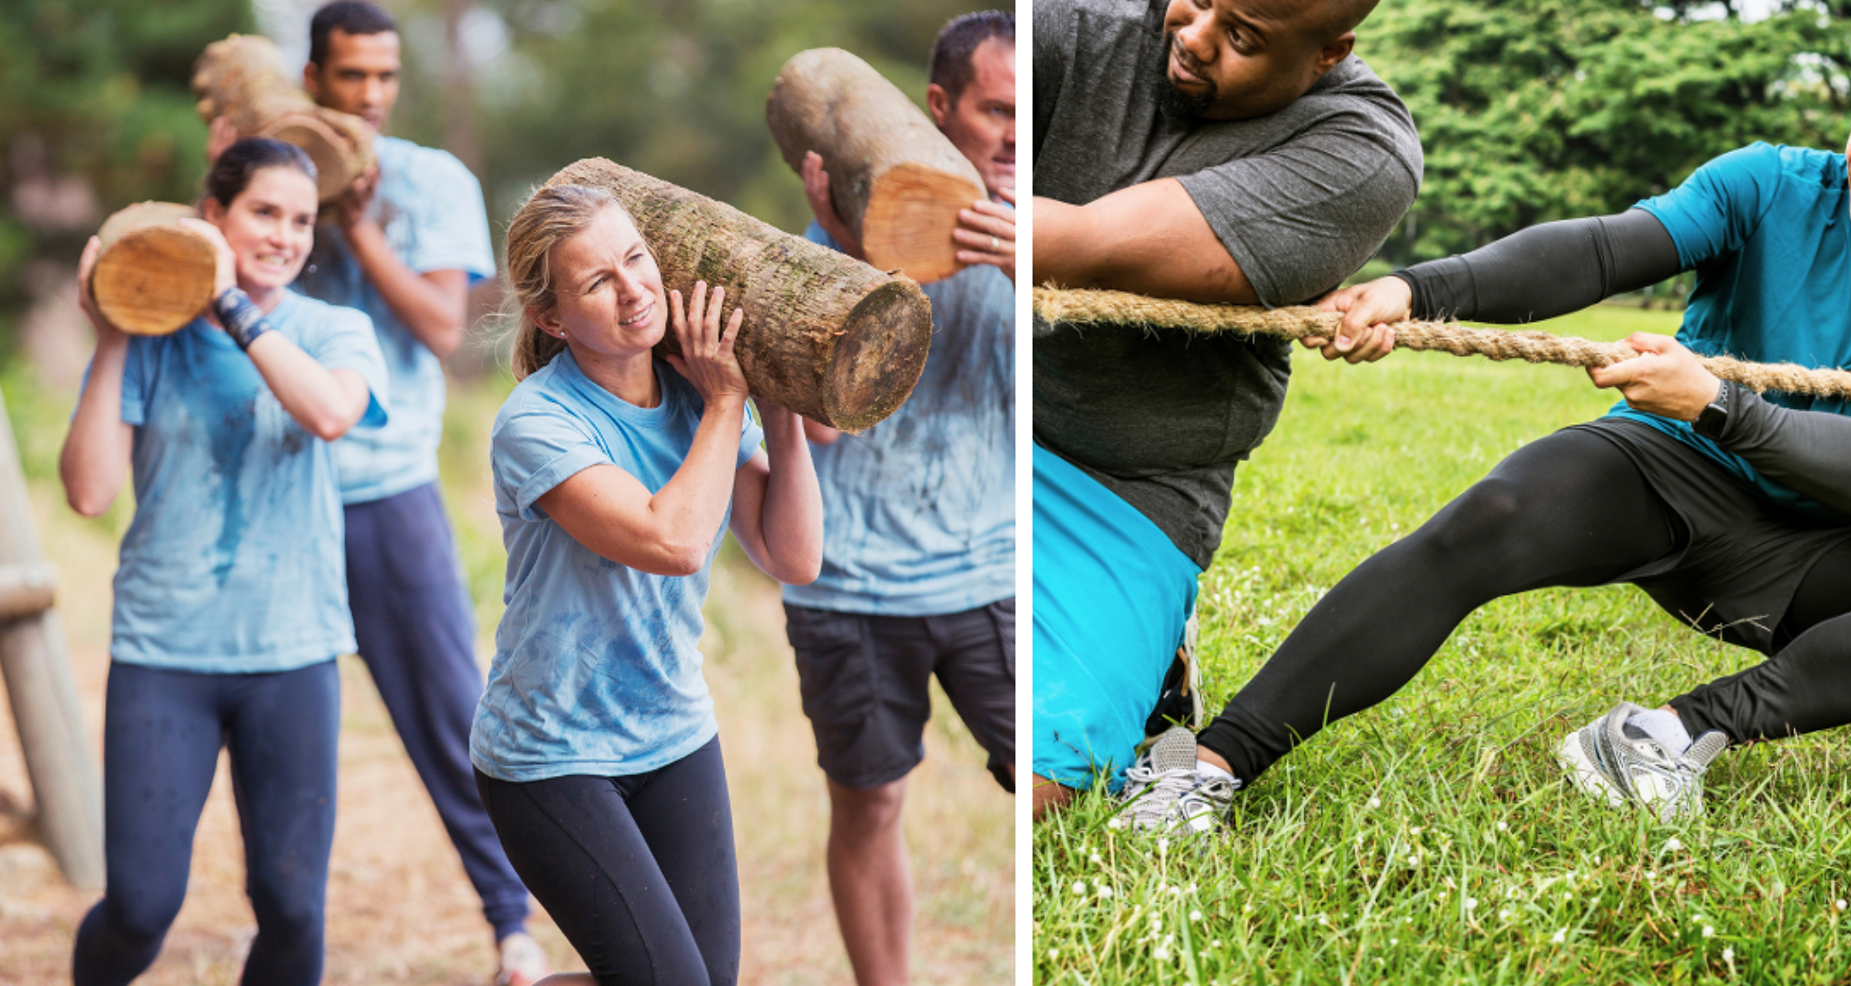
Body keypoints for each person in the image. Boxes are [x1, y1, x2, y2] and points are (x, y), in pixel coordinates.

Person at [1114, 31, 1851, 835]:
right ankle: (1210, 766)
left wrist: (1721, 402)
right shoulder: (1769, 184)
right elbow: (1605, 250)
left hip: (1806, 542)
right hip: (1662, 470)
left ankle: (1665, 736)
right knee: (1490, 517)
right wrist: (1418, 290)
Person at [210, 3, 543, 978]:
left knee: (451, 716)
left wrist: (360, 229)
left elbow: (444, 325)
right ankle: (280, 927)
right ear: (311, 78)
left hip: (382, 490)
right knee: (255, 721)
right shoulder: (275, 182)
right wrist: (230, 171)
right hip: (272, 491)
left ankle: (511, 921)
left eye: (383, 78)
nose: (368, 97)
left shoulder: (432, 180)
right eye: (349, 77)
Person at [1030, 0, 1423, 818]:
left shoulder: (1359, 151)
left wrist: (934, 205)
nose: (1194, 38)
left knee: (1035, 789)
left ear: (1328, 52)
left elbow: (1091, 245)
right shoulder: (1071, 26)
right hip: (984, 420)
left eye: (1241, 37)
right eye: (1197, 0)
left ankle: (1154, 660)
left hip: (1124, 481)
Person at [470, 184, 822, 986]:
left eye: (637, 261)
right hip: (550, 754)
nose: (634, 291)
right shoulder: (539, 424)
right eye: (598, 282)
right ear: (552, 317)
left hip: (672, 733)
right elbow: (674, 540)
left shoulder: (698, 397)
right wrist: (730, 400)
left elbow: (792, 556)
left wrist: (785, 412)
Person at [59, 138, 389, 985]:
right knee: (139, 908)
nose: (285, 235)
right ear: (214, 217)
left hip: (292, 656)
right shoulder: (150, 342)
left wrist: (234, 305)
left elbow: (327, 414)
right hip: (163, 654)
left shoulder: (333, 329)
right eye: (263, 213)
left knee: (291, 909)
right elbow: (90, 493)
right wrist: (111, 335)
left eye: (302, 221)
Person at [781, 13, 1014, 986]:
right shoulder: (824, 237)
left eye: (1027, 114)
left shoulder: (1053, 228)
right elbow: (826, 425)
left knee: (1065, 774)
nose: (1012, 134)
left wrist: (1027, 259)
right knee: (869, 805)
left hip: (997, 568)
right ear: (937, 107)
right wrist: (847, 245)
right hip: (853, 583)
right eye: (997, 110)